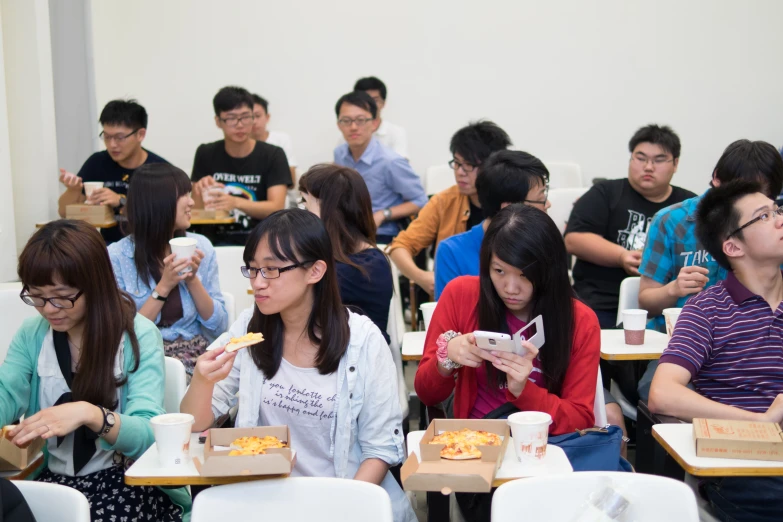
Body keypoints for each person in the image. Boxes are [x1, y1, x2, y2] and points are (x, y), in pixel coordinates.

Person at [180, 209, 416, 522]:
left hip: (347, 503)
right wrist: (201, 380)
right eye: (251, 270)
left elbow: (380, 451)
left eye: (271, 270)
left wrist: (339, 510)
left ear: (315, 271)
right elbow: (194, 424)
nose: (257, 283)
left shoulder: (363, 340)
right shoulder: (246, 331)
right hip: (267, 502)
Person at [415, 204, 600, 522]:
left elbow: (580, 418)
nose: (510, 288)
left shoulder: (579, 320)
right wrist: (448, 359)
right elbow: (426, 393)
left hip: (544, 458)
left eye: (525, 276)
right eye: (499, 271)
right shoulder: (461, 295)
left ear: (549, 270)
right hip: (477, 456)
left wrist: (523, 390)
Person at [0, 220, 190, 521]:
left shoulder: (137, 335)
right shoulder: (33, 334)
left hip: (125, 483)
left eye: (62, 296)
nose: (49, 308)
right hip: (54, 480)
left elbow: (148, 435)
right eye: (36, 296)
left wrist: (91, 414)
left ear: (95, 285)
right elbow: (6, 394)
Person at [648, 180, 783, 522]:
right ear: (734, 247)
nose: (780, 219)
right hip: (748, 466)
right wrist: (760, 423)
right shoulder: (707, 309)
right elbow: (661, 394)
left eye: (777, 209)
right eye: (765, 216)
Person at [639, 139, 783, 331]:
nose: (751, 204)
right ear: (717, 179)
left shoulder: (776, 229)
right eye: (741, 195)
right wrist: (673, 289)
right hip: (680, 336)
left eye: (764, 203)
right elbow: (645, 302)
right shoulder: (671, 220)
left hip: (754, 341)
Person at [565, 124, 696, 329]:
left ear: (675, 163)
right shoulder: (605, 193)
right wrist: (621, 256)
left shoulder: (688, 206)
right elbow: (574, 239)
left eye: (659, 160)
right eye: (641, 158)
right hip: (602, 302)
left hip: (669, 308)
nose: (648, 167)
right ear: (630, 159)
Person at [108, 164, 228, 379]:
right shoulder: (117, 256)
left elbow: (219, 327)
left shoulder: (200, 246)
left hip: (195, 354)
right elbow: (123, 336)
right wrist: (164, 286)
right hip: (143, 356)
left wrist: (192, 280)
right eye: (184, 195)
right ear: (158, 203)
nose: (192, 202)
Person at [388, 121, 512, 296]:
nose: (460, 172)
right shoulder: (444, 201)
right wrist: (422, 277)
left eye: (469, 165)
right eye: (456, 163)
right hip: (456, 302)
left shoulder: (512, 202)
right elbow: (400, 246)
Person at [433, 149, 550, 299]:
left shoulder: (544, 243)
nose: (548, 204)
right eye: (541, 198)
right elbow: (450, 317)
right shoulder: (452, 252)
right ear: (510, 208)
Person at [299, 164, 393, 341]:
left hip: (356, 361)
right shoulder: (331, 255)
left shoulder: (367, 265)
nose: (302, 215)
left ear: (329, 210)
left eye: (307, 204)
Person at [57, 99, 168, 245]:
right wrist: (73, 190)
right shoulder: (97, 162)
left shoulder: (160, 169)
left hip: (149, 247)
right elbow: (64, 212)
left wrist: (121, 201)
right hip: (108, 247)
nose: (112, 144)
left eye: (120, 137)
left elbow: (165, 218)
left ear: (140, 134)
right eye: (107, 137)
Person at [191, 86, 291, 245]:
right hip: (214, 241)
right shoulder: (206, 153)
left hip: (261, 241)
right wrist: (199, 191)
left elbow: (276, 208)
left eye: (245, 117)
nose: (239, 125)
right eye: (231, 118)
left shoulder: (273, 155)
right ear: (218, 121)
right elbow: (197, 212)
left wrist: (235, 203)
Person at [333, 91, 427, 244]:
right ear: (339, 125)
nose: (354, 127)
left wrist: (383, 214)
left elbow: (421, 200)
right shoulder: (340, 154)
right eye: (346, 121)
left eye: (361, 120)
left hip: (381, 235)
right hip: (347, 231)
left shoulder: (391, 161)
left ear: (375, 123)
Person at [348, 76, 407, 158]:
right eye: (364, 100)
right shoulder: (350, 132)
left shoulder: (396, 132)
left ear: (383, 103)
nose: (369, 105)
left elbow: (401, 166)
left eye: (375, 100)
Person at [250, 93, 297, 186]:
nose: (254, 121)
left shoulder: (281, 139)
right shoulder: (236, 144)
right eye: (249, 117)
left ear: (267, 117)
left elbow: (291, 180)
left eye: (258, 116)